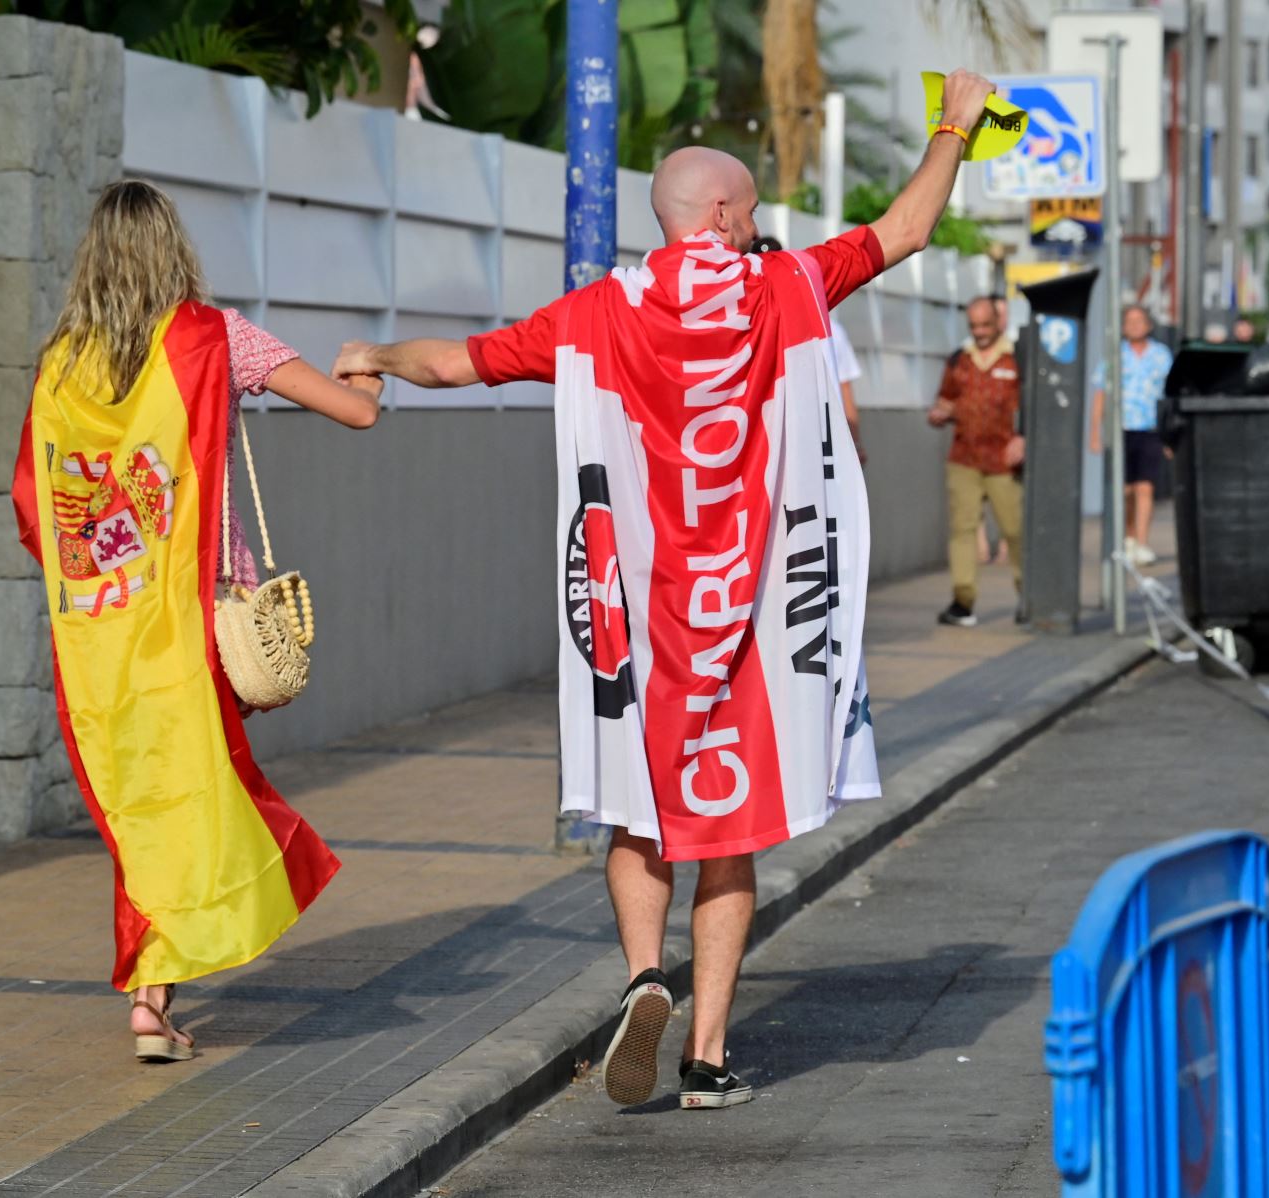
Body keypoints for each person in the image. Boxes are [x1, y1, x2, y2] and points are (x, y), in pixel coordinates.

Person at [330, 69, 999, 1111]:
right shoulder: (785, 287)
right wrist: (955, 121)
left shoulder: (601, 311)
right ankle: (708, 1055)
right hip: (755, 624)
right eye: (755, 210)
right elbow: (906, 229)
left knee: (640, 817)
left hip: (644, 626)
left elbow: (459, 362)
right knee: (726, 836)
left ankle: (646, 975)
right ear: (727, 216)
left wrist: (373, 352)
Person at [10, 180, 384, 1063]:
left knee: (147, 797)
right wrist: (365, 369)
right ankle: (152, 993)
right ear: (174, 248)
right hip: (198, 622)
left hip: (105, 628)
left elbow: (35, 502)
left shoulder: (61, 363)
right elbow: (357, 411)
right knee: (192, 790)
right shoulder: (216, 339)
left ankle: (154, 992)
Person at [929, 295, 1025, 627]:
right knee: (963, 530)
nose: (980, 332)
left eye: (986, 324)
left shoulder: (1017, 359)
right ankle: (962, 600)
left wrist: (1023, 437)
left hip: (1004, 460)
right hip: (965, 457)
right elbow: (946, 398)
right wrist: (941, 412)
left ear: (998, 321)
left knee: (1015, 530)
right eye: (974, 326)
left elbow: (1030, 406)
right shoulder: (960, 359)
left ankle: (1028, 597)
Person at [750, 235, 866, 462]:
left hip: (814, 437)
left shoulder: (832, 329)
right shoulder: (830, 327)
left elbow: (844, 390)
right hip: (805, 440)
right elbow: (845, 391)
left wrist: (855, 442)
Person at [1089, 303, 1174, 566]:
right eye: (1130, 321)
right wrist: (1095, 430)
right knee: (1125, 489)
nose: (1135, 326)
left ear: (1148, 325)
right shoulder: (1115, 355)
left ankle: (1142, 541)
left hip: (1150, 428)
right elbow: (1101, 393)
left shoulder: (1161, 355)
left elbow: (1170, 395)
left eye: (1140, 321)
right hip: (1121, 428)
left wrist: (1170, 435)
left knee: (1145, 487)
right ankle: (1129, 535)